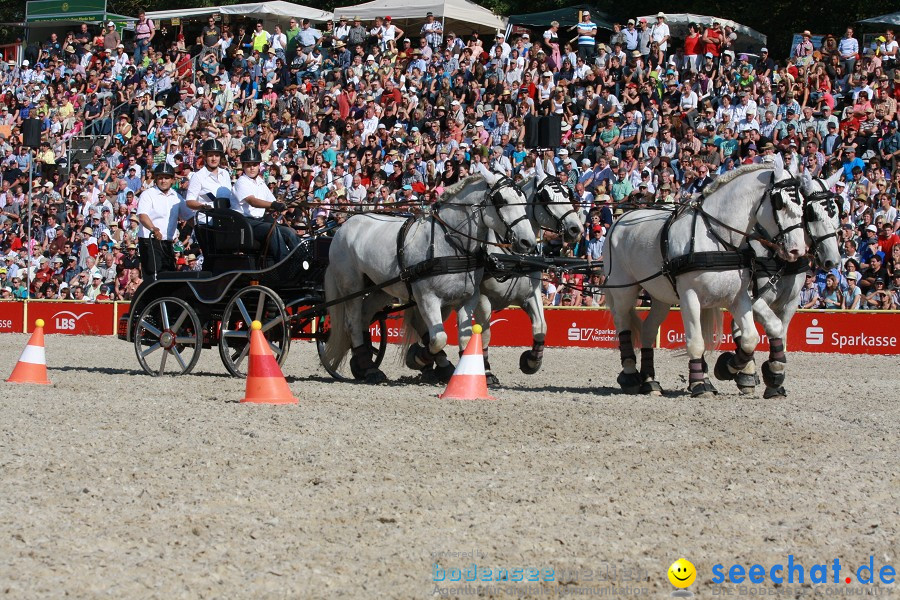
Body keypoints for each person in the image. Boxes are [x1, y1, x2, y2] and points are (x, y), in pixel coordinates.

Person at [232, 147, 300, 262]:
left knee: (289, 232)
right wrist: (273, 205)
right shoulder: (241, 182)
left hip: (260, 220)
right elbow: (252, 201)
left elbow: (273, 200)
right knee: (271, 230)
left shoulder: (260, 182)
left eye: (255, 164)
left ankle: (302, 259)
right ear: (243, 166)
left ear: (259, 165)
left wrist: (290, 203)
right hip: (244, 222)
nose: (252, 168)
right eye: (248, 165)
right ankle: (285, 263)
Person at [137, 163, 192, 280]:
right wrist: (153, 229)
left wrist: (200, 226)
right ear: (156, 179)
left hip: (167, 243)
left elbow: (189, 216)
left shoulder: (177, 197)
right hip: (150, 241)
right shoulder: (148, 194)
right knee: (154, 276)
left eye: (166, 178)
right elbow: (142, 216)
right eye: (160, 178)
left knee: (169, 274)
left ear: (172, 180)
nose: (163, 181)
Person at [185, 139, 234, 213]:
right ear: (205, 157)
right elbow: (189, 201)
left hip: (225, 218)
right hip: (206, 220)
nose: (214, 159)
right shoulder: (198, 176)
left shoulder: (225, 174)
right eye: (210, 155)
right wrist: (202, 206)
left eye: (217, 155)